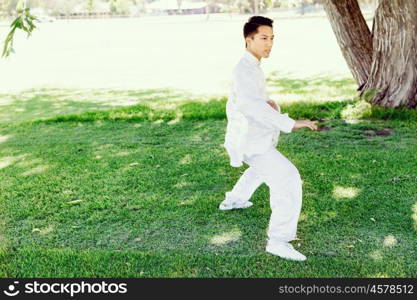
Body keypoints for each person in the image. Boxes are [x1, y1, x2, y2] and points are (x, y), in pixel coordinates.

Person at [220, 16, 318, 261]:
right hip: (250, 141)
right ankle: (278, 240)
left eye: (272, 38)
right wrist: (290, 123)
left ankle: (234, 200)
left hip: (256, 138)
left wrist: (270, 103)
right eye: (264, 38)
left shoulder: (252, 65)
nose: (269, 43)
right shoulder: (243, 69)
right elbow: (249, 105)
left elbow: (255, 101)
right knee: (287, 177)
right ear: (248, 39)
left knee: (260, 170)